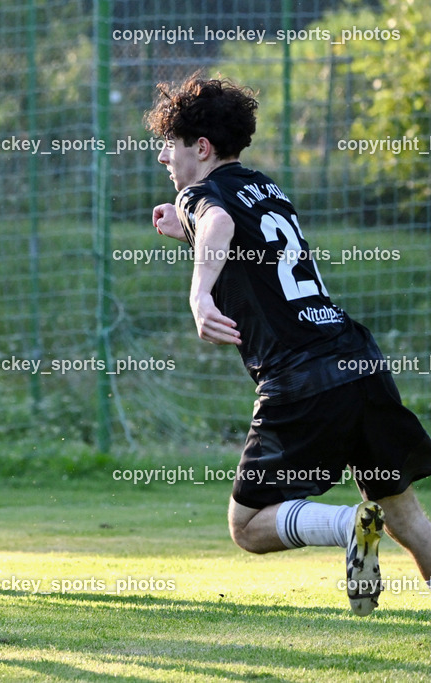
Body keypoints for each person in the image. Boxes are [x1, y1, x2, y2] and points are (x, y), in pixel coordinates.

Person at [147, 74, 431, 616]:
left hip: (302, 380)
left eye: (172, 144)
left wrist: (200, 294)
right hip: (358, 362)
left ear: (201, 148)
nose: (164, 156)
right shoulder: (269, 188)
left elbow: (218, 221)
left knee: (248, 527)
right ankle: (370, 524)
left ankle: (349, 525)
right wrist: (185, 226)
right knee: (407, 518)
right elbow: (237, 233)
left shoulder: (201, 195)